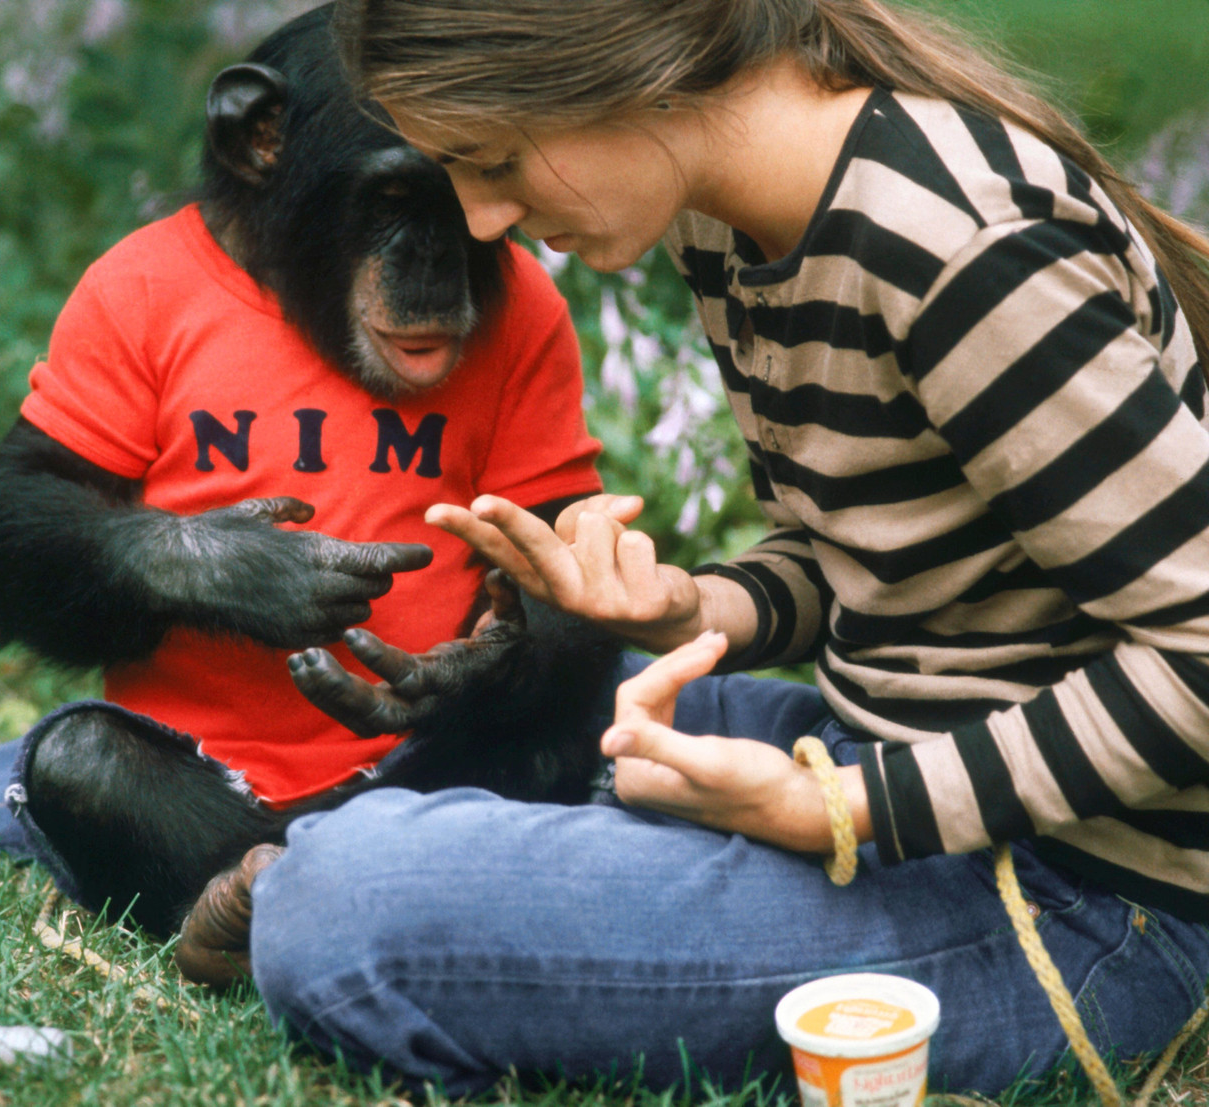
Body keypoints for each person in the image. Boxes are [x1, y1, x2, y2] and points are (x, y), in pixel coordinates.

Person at [227, 0, 1209, 1098]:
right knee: (537, 698)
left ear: (622, 71)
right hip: (893, 753)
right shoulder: (730, 219)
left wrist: (836, 812)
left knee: (346, 905)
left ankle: (346, 879)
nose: (482, 219)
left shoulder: (956, 245)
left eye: (493, 161)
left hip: (1079, 902)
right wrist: (691, 611)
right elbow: (870, 556)